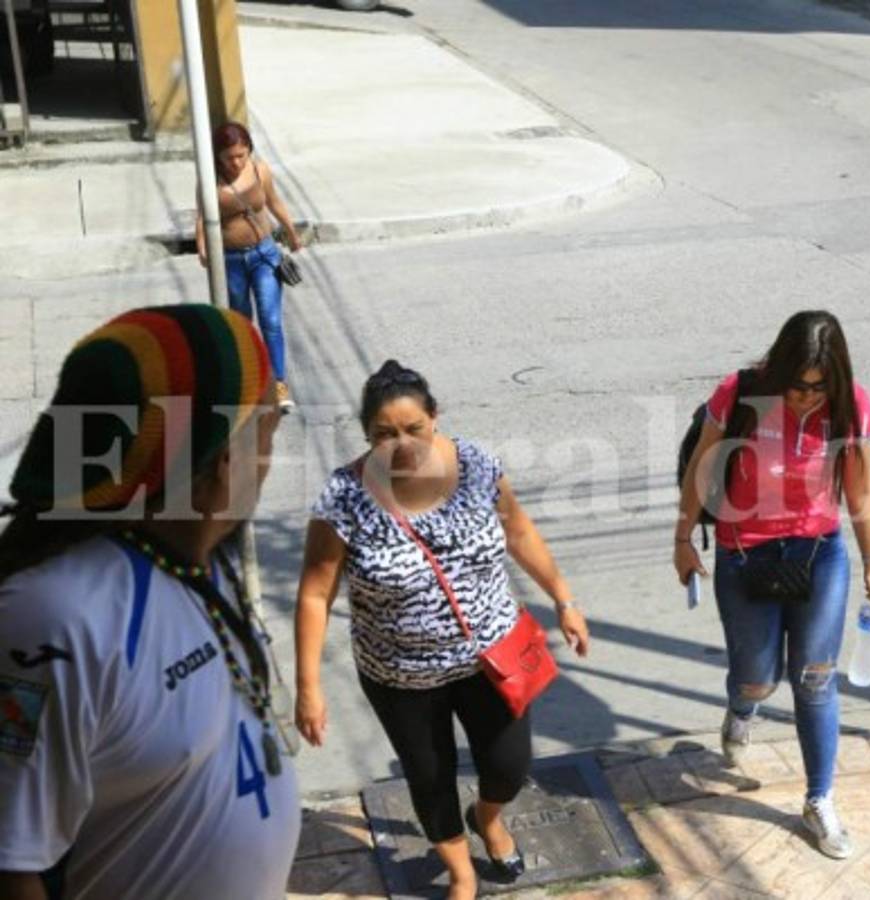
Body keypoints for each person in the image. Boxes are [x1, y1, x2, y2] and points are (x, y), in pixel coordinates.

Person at [0, 305, 300, 899]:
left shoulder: (197, 553)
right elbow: (12, 866)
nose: (273, 448)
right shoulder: (60, 616)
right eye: (270, 422)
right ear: (223, 461)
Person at [295, 361, 590, 900]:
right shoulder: (344, 497)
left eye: (414, 428)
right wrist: (308, 687)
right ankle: (461, 873)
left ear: (435, 418)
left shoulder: (476, 465)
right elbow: (315, 595)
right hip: (399, 672)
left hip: (492, 657)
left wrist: (563, 599)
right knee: (429, 779)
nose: (401, 443)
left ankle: (489, 816)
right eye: (384, 434)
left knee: (509, 765)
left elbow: (519, 530)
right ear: (367, 435)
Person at [674, 310, 870, 861]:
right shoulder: (741, 393)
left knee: (815, 681)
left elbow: (861, 492)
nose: (805, 397)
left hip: (818, 554)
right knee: (757, 678)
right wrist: (682, 539)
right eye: (797, 385)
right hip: (744, 553)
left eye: (818, 388)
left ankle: (819, 799)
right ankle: (742, 708)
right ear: (779, 369)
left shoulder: (850, 407)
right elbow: (702, 469)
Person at [196, 121, 302, 412]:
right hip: (230, 261)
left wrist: (291, 232)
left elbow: (274, 202)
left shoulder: (259, 170)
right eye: (229, 157)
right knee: (242, 323)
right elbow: (202, 215)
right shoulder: (210, 179)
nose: (236, 162)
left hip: (264, 256)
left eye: (242, 154)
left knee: (270, 319)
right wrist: (202, 245)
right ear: (218, 156)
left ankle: (279, 383)